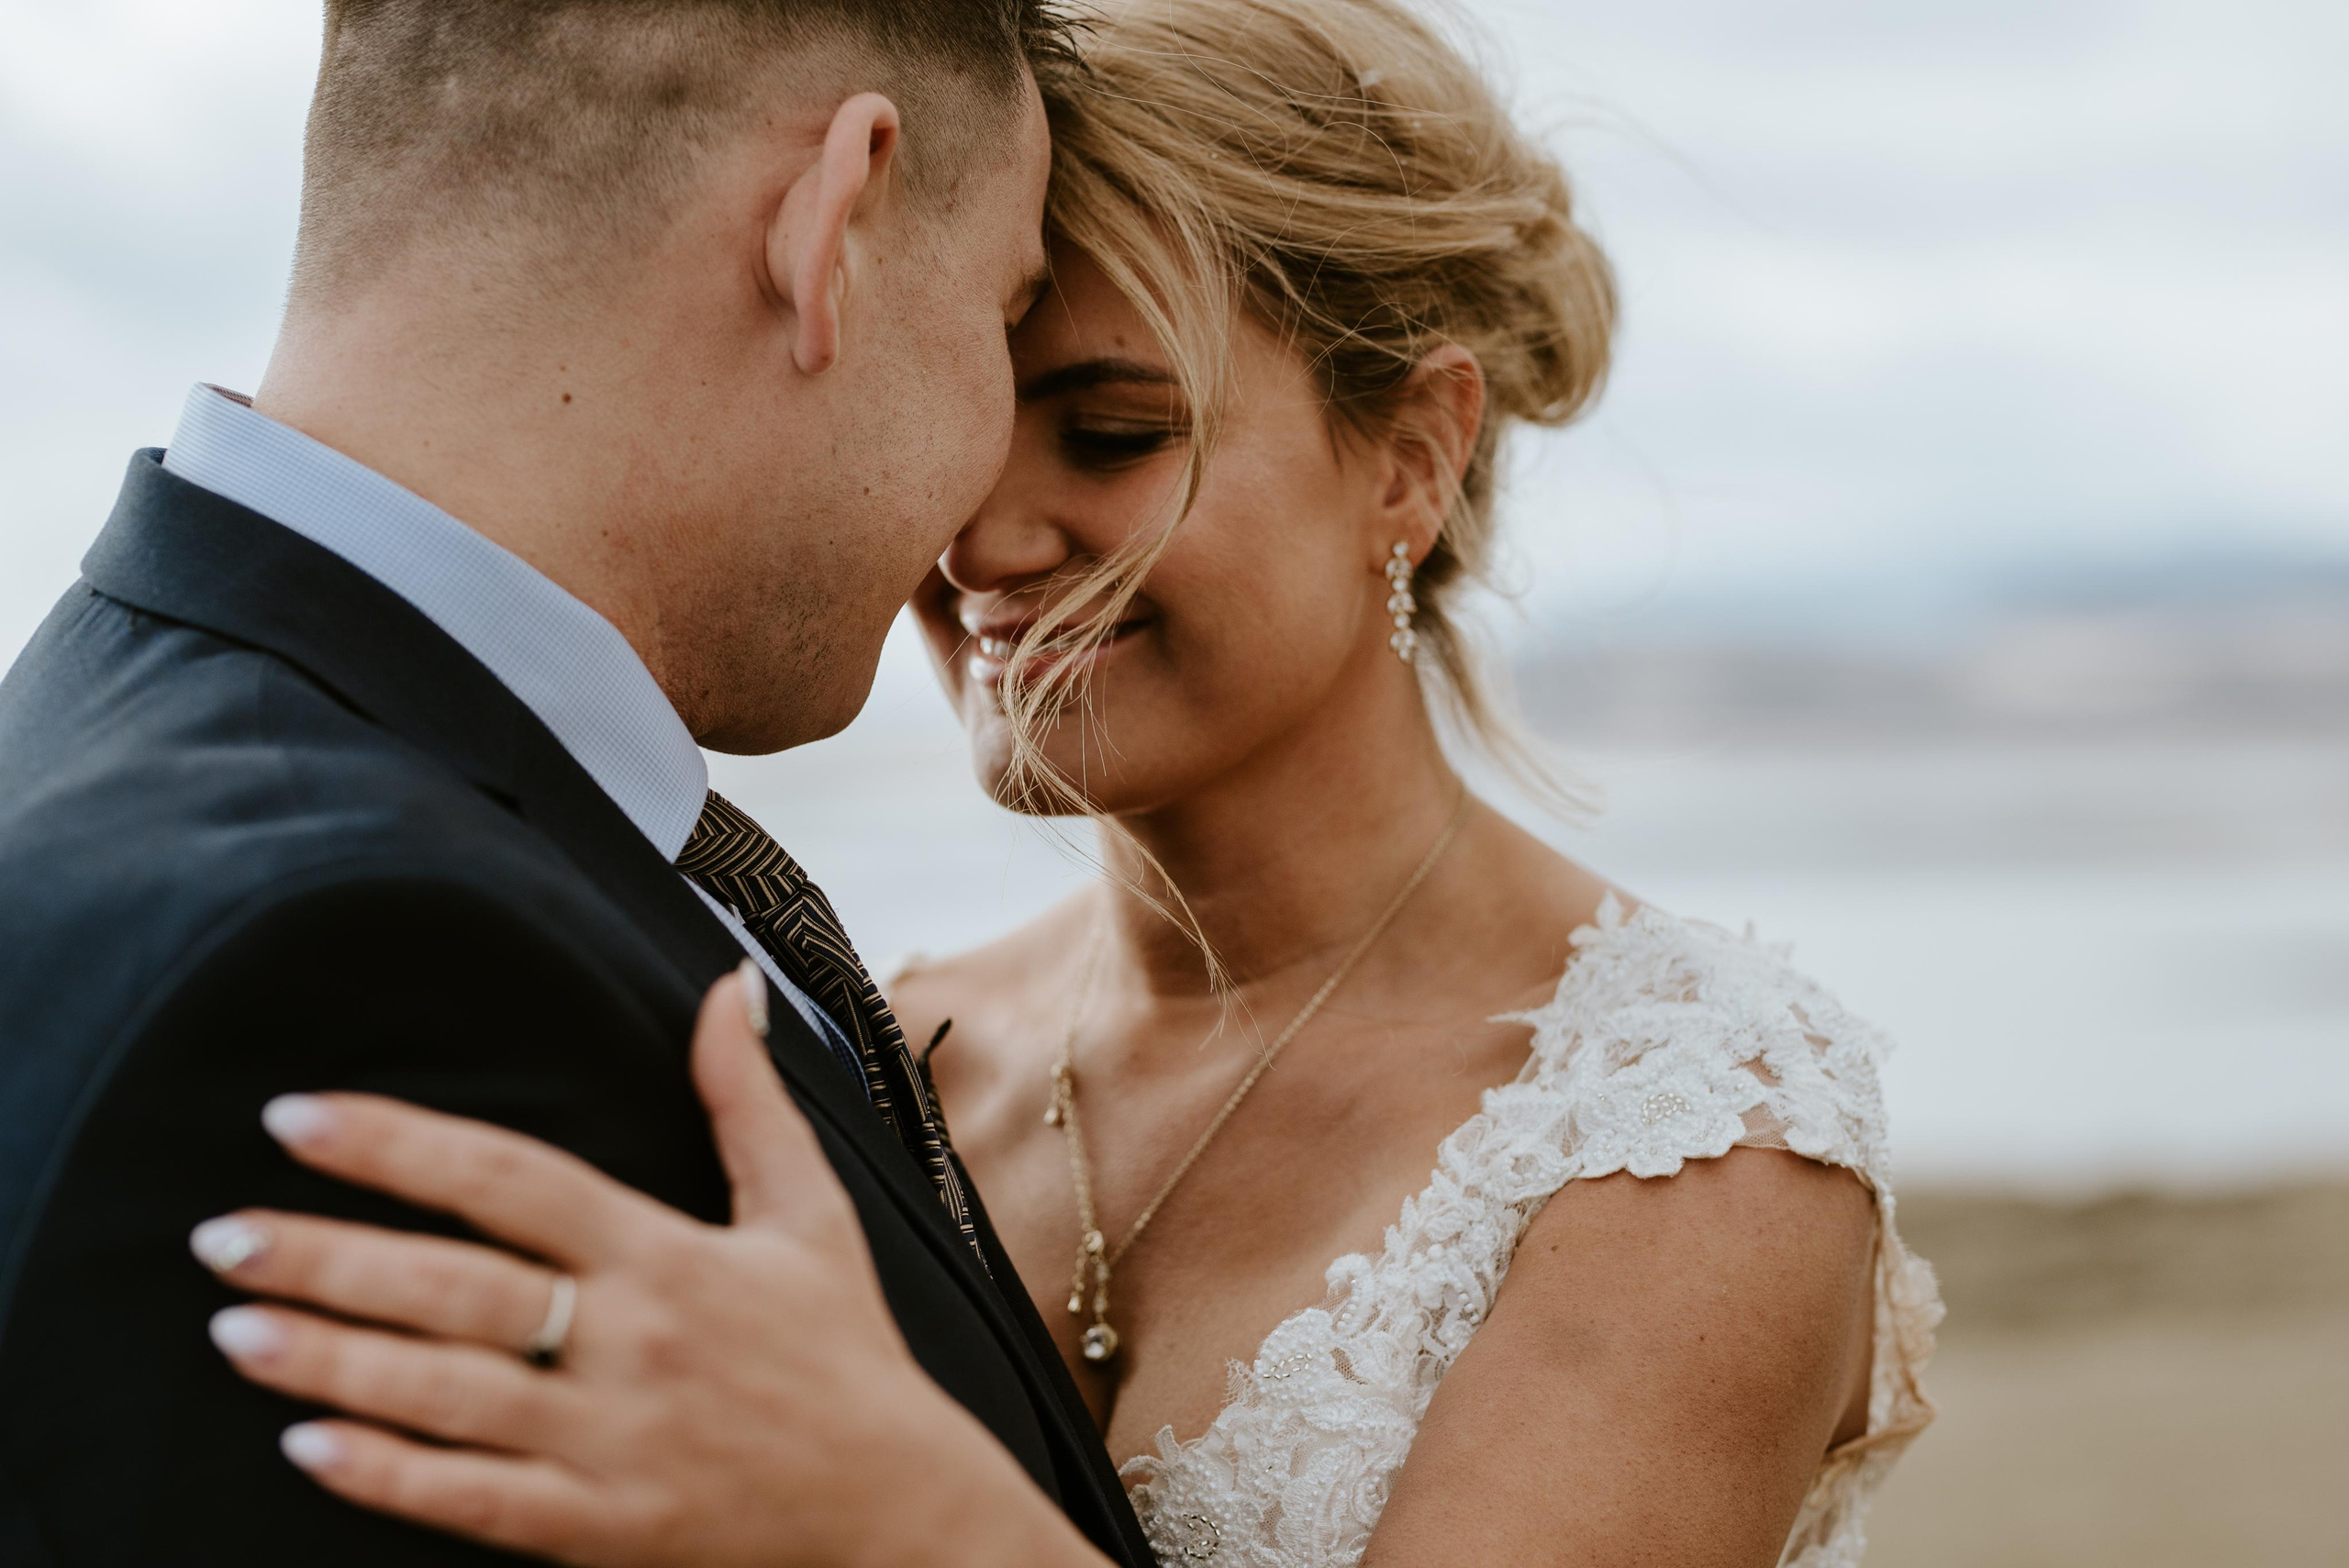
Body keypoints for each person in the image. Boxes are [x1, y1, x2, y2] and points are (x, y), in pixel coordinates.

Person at [183, 1, 1946, 1565]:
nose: (988, 538)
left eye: (1112, 432)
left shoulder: (1687, 1134)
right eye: (959, 415)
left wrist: (899, 1513)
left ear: (1412, 455)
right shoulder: (886, 1038)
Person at [0, 4, 1156, 1565]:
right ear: (838, 222)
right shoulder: (362, 966)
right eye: (1003, 316)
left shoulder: (119, 731)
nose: (981, 511)